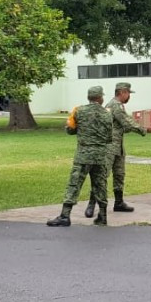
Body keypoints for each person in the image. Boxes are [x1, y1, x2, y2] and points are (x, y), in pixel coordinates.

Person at [81, 81, 151, 219]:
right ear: (122, 92)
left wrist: (139, 126)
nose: (129, 96)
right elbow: (126, 122)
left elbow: (124, 126)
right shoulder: (114, 105)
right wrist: (144, 129)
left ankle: (119, 202)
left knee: (119, 174)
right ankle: (91, 204)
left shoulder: (117, 106)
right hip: (109, 147)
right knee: (102, 176)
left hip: (118, 147)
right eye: (128, 93)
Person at [48, 86, 113, 226]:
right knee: (100, 185)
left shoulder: (79, 111)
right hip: (100, 155)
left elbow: (70, 130)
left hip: (83, 155)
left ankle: (65, 215)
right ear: (100, 97)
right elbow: (109, 138)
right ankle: (102, 215)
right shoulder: (108, 114)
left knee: (74, 183)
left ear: (89, 97)